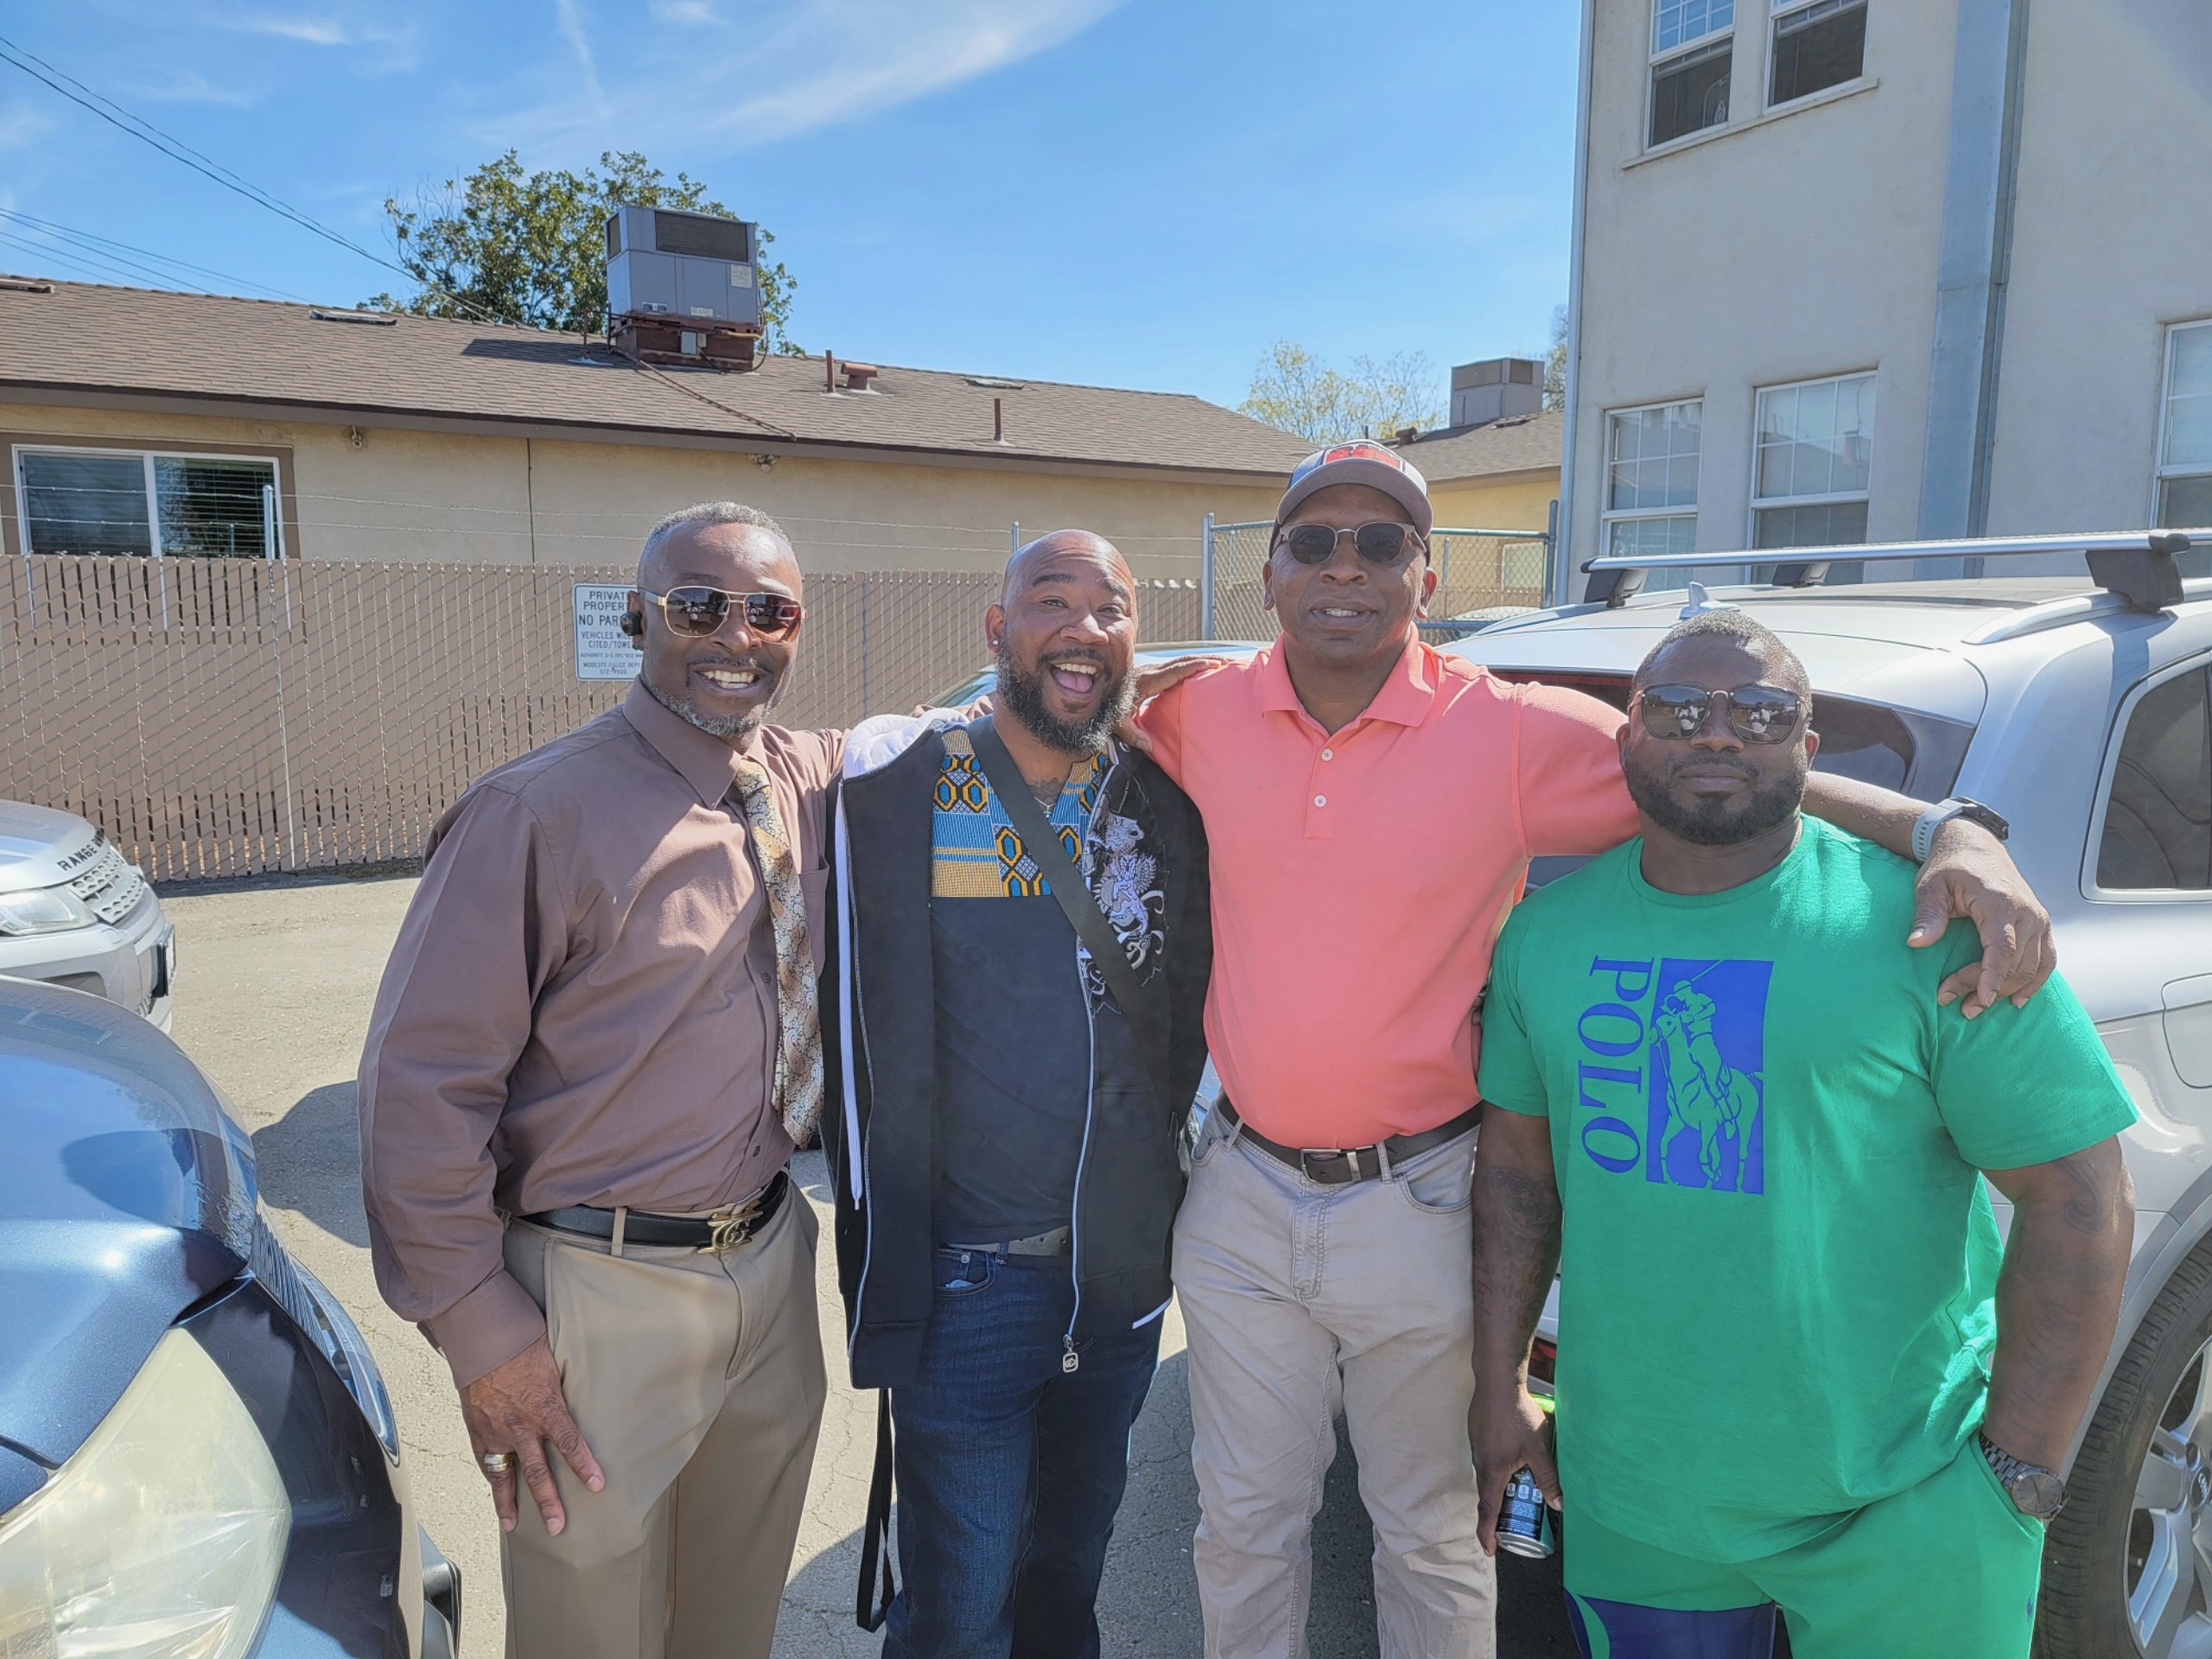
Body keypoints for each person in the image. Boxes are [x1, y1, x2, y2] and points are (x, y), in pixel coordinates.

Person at [1123, 441, 2057, 1657]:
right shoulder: (1198, 711)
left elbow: (1725, 767)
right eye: (1315, 541)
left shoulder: (1511, 733)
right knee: (1240, 1523)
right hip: (1240, 1194)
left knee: (1428, 1530)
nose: (1345, 565)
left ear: (1425, 576)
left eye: (1382, 542)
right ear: (1270, 573)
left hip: (1419, 1193)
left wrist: (1947, 829)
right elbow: (1051, 717)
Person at [1466, 610, 2135, 1656]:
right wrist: (1498, 1383)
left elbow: (2080, 1198)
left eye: (1760, 711)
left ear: (1806, 747)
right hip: (1642, 1502)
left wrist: (2020, 1470)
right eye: (1679, 710)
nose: (1718, 733)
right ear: (1628, 737)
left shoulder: (1936, 927)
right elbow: (1514, 1178)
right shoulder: (1546, 935)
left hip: (1904, 1502)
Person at [359, 501, 837, 1659]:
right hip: (596, 1292)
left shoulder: (802, 779)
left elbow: (967, 742)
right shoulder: (536, 814)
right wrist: (481, 1330)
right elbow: (420, 1092)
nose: (736, 633)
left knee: (734, 1616)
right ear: (639, 617)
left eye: (768, 611)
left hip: (772, 1262)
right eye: (698, 604)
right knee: (590, 1629)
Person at [822, 531, 1213, 1658]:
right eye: (1053, 600)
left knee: (1066, 1577)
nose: (1084, 627)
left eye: (1112, 607)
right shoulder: (897, 782)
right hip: (966, 1279)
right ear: (997, 629)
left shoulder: (1167, 799)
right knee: (960, 1598)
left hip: (1121, 1280)